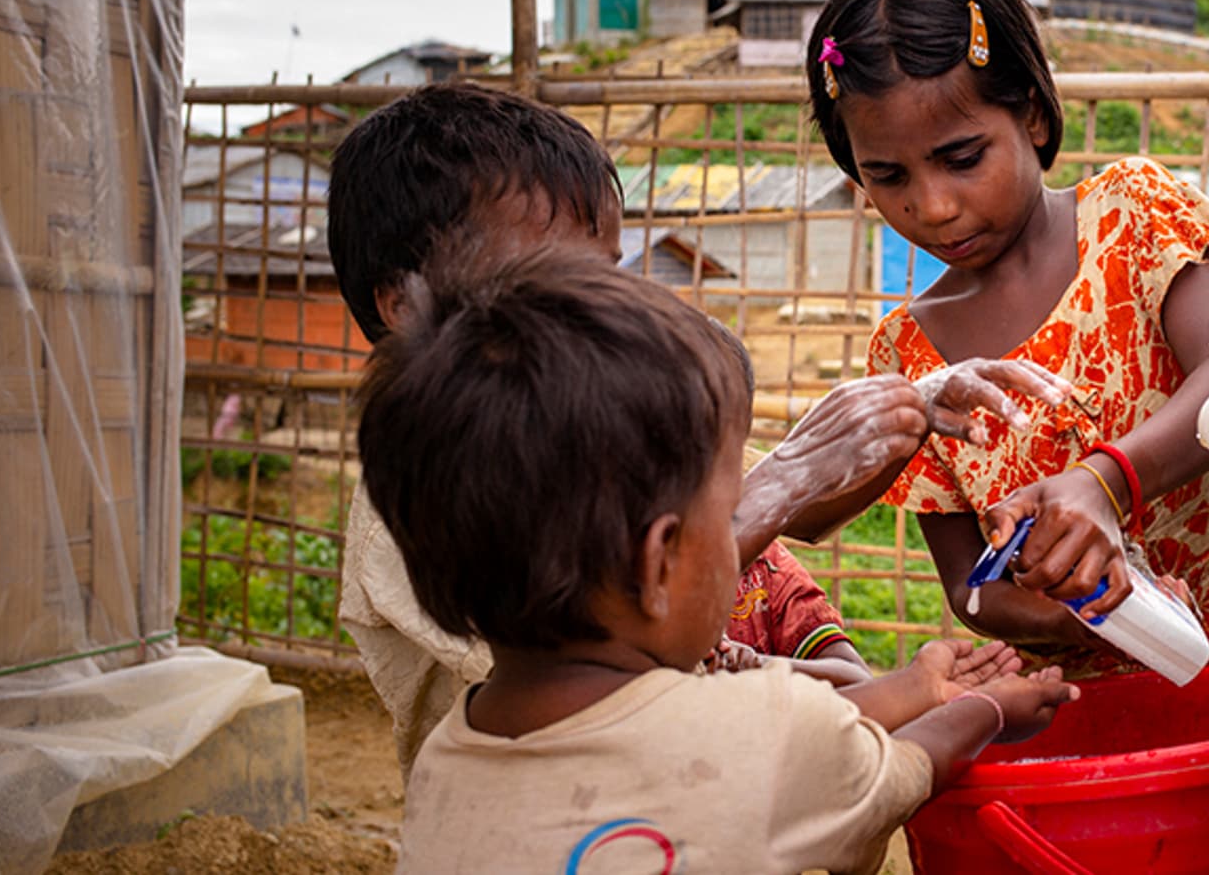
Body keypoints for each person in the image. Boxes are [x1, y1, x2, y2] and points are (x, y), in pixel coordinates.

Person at [326, 81, 1071, 775]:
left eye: (605, 272)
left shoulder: (607, 430)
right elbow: (584, 663)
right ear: (406, 308)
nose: (603, 303)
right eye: (552, 278)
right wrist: (788, 478)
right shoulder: (422, 503)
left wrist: (899, 415)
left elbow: (766, 530)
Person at [361, 250, 1076, 873]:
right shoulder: (758, 734)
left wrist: (917, 685)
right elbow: (891, 771)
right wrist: (982, 709)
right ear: (659, 562)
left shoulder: (448, 757)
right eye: (731, 507)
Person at [805, 0, 1209, 678]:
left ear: (1034, 118)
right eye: (888, 177)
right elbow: (970, 588)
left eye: (962, 159)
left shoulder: (1131, 220)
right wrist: (1095, 614)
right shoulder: (909, 355)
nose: (933, 206)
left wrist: (1106, 483)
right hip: (1082, 713)